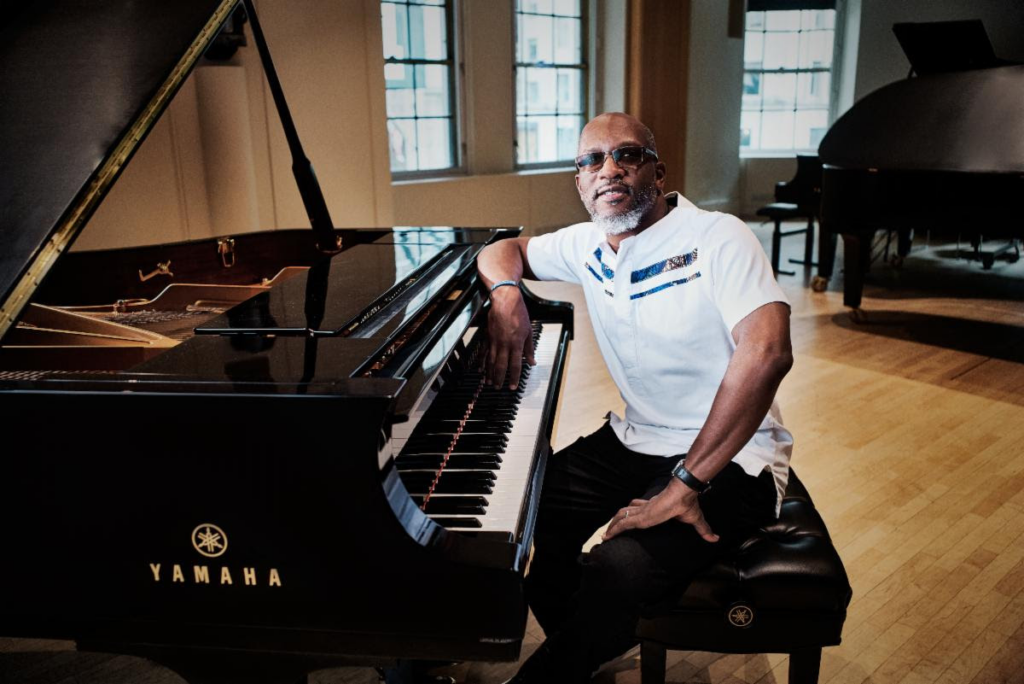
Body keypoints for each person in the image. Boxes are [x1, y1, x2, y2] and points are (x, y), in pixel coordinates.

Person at [475, 113, 794, 683]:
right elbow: (504, 250)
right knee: (524, 515)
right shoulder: (585, 243)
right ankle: (593, 643)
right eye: (592, 160)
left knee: (617, 567)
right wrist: (505, 296)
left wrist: (685, 484)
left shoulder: (717, 236)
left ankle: (557, 669)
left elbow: (768, 353)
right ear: (579, 182)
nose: (609, 169)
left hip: (731, 456)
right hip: (636, 435)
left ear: (657, 169)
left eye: (627, 154)